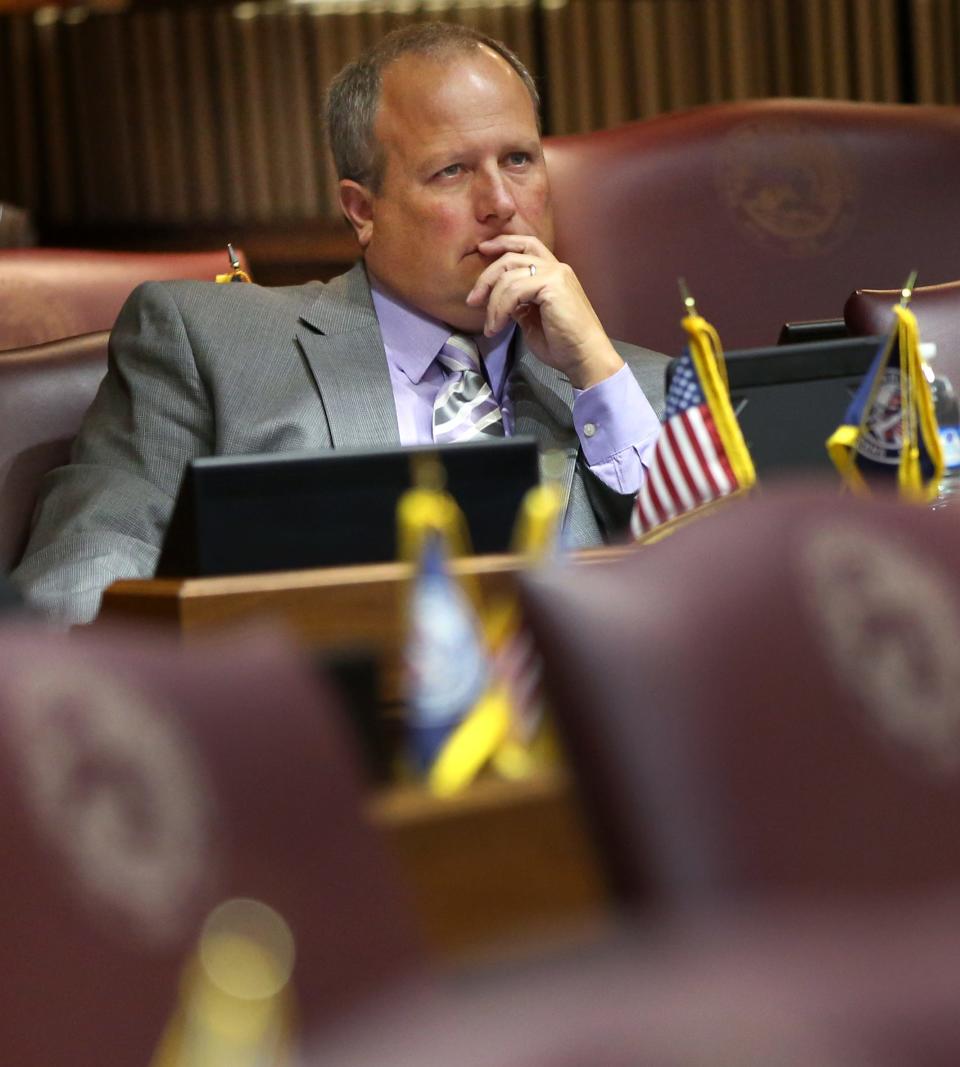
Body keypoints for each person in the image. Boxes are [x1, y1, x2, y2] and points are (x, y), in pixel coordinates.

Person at [12, 22, 665, 626]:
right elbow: (83, 580)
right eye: (452, 171)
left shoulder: (638, 388)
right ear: (362, 209)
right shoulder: (208, 343)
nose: (500, 203)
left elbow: (728, 588)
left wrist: (597, 374)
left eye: (519, 160)